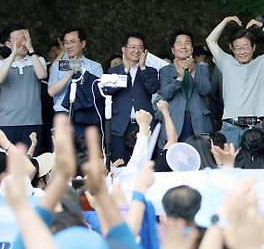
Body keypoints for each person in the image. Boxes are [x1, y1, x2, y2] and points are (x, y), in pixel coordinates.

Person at [205, 15, 264, 148]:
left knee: (254, 165)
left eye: (246, 46)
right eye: (238, 48)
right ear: (231, 48)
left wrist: (261, 26)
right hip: (230, 125)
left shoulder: (261, 63)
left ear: (253, 47)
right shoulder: (226, 62)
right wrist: (225, 21)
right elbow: (210, 40)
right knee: (230, 164)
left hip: (254, 126)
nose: (242, 51)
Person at [0, 25, 48, 152]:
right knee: (9, 162)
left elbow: (42, 75)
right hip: (8, 122)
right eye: (18, 39)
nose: (23, 43)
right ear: (8, 43)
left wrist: (31, 49)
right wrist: (13, 55)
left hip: (33, 121)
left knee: (32, 161)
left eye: (25, 38)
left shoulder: (38, 60)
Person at [106, 32, 159, 163]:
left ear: (145, 51)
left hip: (144, 125)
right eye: (132, 47)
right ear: (124, 49)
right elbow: (107, 91)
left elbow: (153, 89)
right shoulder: (113, 71)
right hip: (119, 125)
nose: (136, 50)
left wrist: (142, 67)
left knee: (145, 164)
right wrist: (125, 71)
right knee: (119, 164)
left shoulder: (150, 71)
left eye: (140, 47)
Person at [159, 30, 213, 143]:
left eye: (187, 43)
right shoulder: (165, 71)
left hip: (199, 121)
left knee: (201, 157)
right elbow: (166, 94)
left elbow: (205, 90)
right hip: (175, 121)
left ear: (192, 49)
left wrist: (193, 72)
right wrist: (179, 78)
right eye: (179, 43)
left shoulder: (201, 68)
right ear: (173, 50)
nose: (183, 46)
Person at [47, 27, 103, 135]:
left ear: (83, 43)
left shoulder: (95, 67)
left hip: (86, 115)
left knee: (86, 151)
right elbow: (51, 92)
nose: (69, 46)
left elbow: (98, 92)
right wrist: (70, 73)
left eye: (72, 42)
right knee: (62, 151)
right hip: (63, 116)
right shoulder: (57, 66)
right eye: (66, 43)